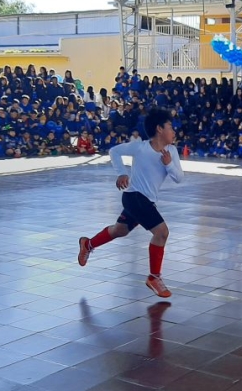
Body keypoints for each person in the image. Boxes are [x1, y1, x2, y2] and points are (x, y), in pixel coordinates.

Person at [77, 108, 183, 298]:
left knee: (120, 230)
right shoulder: (140, 147)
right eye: (170, 127)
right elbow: (114, 151)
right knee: (162, 233)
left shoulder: (172, 151)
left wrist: (168, 163)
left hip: (146, 200)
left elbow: (179, 178)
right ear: (159, 129)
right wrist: (121, 172)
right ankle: (154, 277)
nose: (174, 131)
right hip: (134, 196)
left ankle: (88, 244)